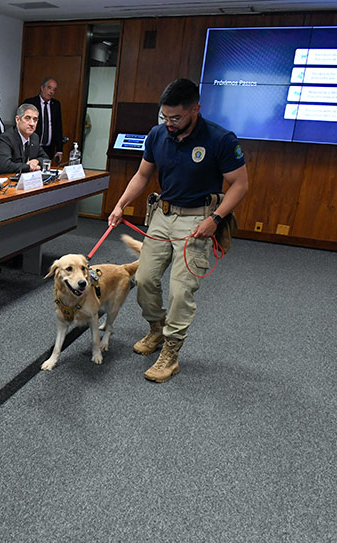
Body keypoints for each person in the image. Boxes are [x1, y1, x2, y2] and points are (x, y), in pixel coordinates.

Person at [107, 78, 249, 383]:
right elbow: (143, 175)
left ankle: (171, 353)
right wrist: (120, 205)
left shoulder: (220, 139)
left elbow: (240, 184)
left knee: (181, 290)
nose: (169, 123)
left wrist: (217, 219)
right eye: (165, 116)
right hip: (162, 213)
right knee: (144, 279)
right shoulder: (158, 134)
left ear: (195, 110)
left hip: (198, 220)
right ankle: (156, 329)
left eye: (176, 118)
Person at [0, 103, 49, 175]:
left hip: (26, 180)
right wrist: (28, 167)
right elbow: (5, 166)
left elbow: (46, 158)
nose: (32, 123)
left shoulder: (34, 137)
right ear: (17, 120)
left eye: (35, 119)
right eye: (27, 118)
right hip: (4, 181)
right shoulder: (6, 138)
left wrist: (37, 161)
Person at [23, 77, 63, 161]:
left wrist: (59, 149)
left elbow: (58, 127)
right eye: (49, 88)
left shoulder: (56, 104)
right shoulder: (30, 103)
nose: (51, 92)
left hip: (49, 149)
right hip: (32, 146)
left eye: (54, 89)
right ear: (42, 88)